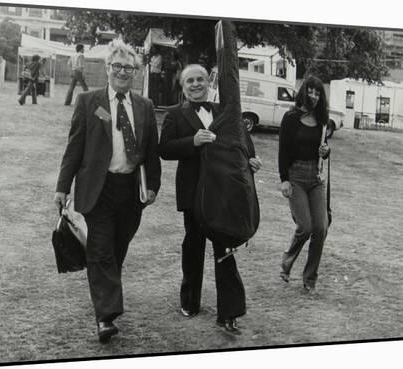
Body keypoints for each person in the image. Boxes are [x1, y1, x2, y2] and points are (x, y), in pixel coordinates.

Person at [54, 40, 161, 343]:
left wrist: (152, 185)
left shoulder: (145, 106)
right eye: (117, 66)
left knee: (116, 251)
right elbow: (74, 147)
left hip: (129, 192)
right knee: (100, 251)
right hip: (97, 190)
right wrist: (62, 187)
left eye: (129, 67)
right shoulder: (90, 101)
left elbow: (151, 151)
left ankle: (105, 298)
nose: (123, 72)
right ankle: (106, 317)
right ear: (107, 68)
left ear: (136, 72)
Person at [159, 64, 262, 335]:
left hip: (222, 194)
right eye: (189, 81)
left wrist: (251, 159)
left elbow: (241, 142)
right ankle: (190, 302)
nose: (195, 84)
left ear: (208, 83)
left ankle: (229, 313)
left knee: (224, 251)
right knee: (193, 248)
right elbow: (165, 149)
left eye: (200, 80)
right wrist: (192, 141)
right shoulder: (175, 116)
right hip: (194, 195)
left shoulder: (223, 112)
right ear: (183, 87)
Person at [278, 75, 331, 295]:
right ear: (303, 92)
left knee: (321, 228)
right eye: (310, 91)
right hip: (296, 176)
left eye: (318, 93)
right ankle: (287, 262)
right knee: (306, 227)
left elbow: (323, 148)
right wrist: (284, 180)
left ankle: (309, 277)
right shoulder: (290, 118)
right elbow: (282, 151)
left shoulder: (322, 120)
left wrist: (326, 152)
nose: (314, 95)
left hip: (315, 177)